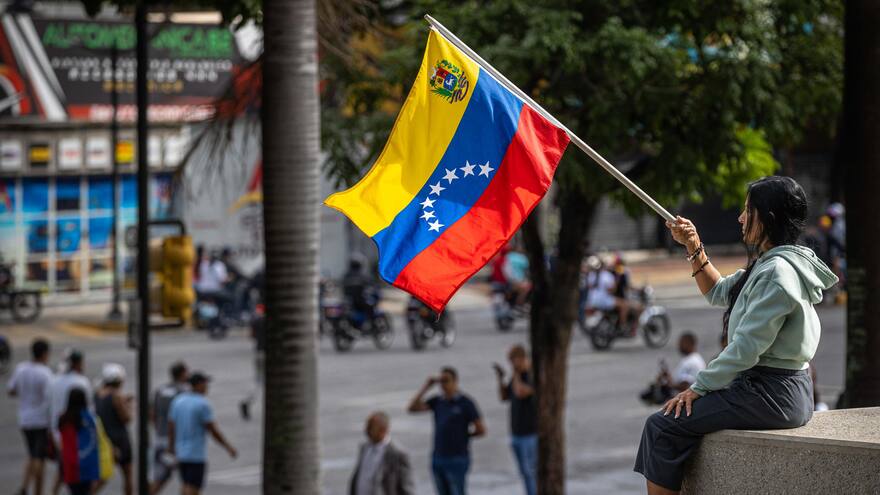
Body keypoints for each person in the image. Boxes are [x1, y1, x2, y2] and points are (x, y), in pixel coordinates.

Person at [634, 176, 838, 495]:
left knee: (661, 427)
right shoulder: (771, 263)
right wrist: (693, 245)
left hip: (771, 394)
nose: (741, 218)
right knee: (667, 423)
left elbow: (745, 349)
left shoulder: (776, 273)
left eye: (748, 210)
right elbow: (718, 291)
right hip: (770, 390)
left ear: (767, 218)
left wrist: (698, 388)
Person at [408, 367, 486, 495]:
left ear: (455, 381)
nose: (443, 385)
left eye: (446, 381)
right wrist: (426, 387)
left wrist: (463, 436)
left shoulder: (465, 403)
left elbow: (481, 429)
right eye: (441, 381)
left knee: (457, 491)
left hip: (457, 458)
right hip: (438, 456)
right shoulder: (438, 401)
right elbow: (412, 408)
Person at [168, 372, 237, 495]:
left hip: (181, 453)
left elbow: (171, 426)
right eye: (205, 384)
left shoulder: (178, 401)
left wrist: (171, 447)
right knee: (193, 488)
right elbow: (212, 430)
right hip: (195, 454)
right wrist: (228, 447)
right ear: (198, 385)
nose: (207, 387)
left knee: (186, 484)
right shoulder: (202, 404)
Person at [7, 338, 53, 495]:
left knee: (32, 454)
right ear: (45, 354)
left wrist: (25, 392)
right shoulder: (45, 373)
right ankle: (31, 489)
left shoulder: (21, 369)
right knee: (39, 458)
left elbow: (11, 390)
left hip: (24, 420)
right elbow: (49, 397)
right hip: (40, 420)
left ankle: (28, 488)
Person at [493, 345, 537, 495]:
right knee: (524, 472)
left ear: (522, 359)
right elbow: (504, 397)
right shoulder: (516, 378)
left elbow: (520, 392)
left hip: (530, 434)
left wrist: (516, 373)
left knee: (531, 471)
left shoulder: (531, 376)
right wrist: (500, 378)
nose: (512, 364)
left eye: (513, 360)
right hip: (516, 433)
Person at [49, 349, 92, 495]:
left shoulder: (54, 381)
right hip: (77, 435)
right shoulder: (82, 382)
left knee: (63, 469)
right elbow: (89, 411)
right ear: (77, 363)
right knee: (76, 476)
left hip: (58, 434)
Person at [57, 387, 113, 495]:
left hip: (69, 464)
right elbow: (97, 438)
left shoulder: (63, 419)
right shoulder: (91, 418)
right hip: (87, 464)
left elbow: (61, 440)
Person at [349, 411, 415, 495]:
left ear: (383, 430)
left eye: (370, 427)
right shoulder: (364, 448)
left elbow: (406, 487)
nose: (366, 430)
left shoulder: (397, 454)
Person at [150, 361, 189, 495]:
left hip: (160, 438)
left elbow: (152, 414)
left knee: (160, 477)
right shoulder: (183, 391)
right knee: (189, 480)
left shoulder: (160, 390)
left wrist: (158, 429)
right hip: (176, 441)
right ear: (182, 373)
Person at [94, 363, 134, 495]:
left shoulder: (98, 394)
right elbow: (126, 418)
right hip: (120, 439)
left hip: (104, 438)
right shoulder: (116, 396)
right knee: (127, 474)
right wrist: (129, 406)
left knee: (103, 475)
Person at [640, 333, 706, 404]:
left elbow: (684, 387)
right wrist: (668, 377)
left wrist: (668, 383)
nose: (679, 346)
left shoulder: (691, 362)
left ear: (689, 343)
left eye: (681, 343)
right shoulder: (694, 359)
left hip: (687, 401)